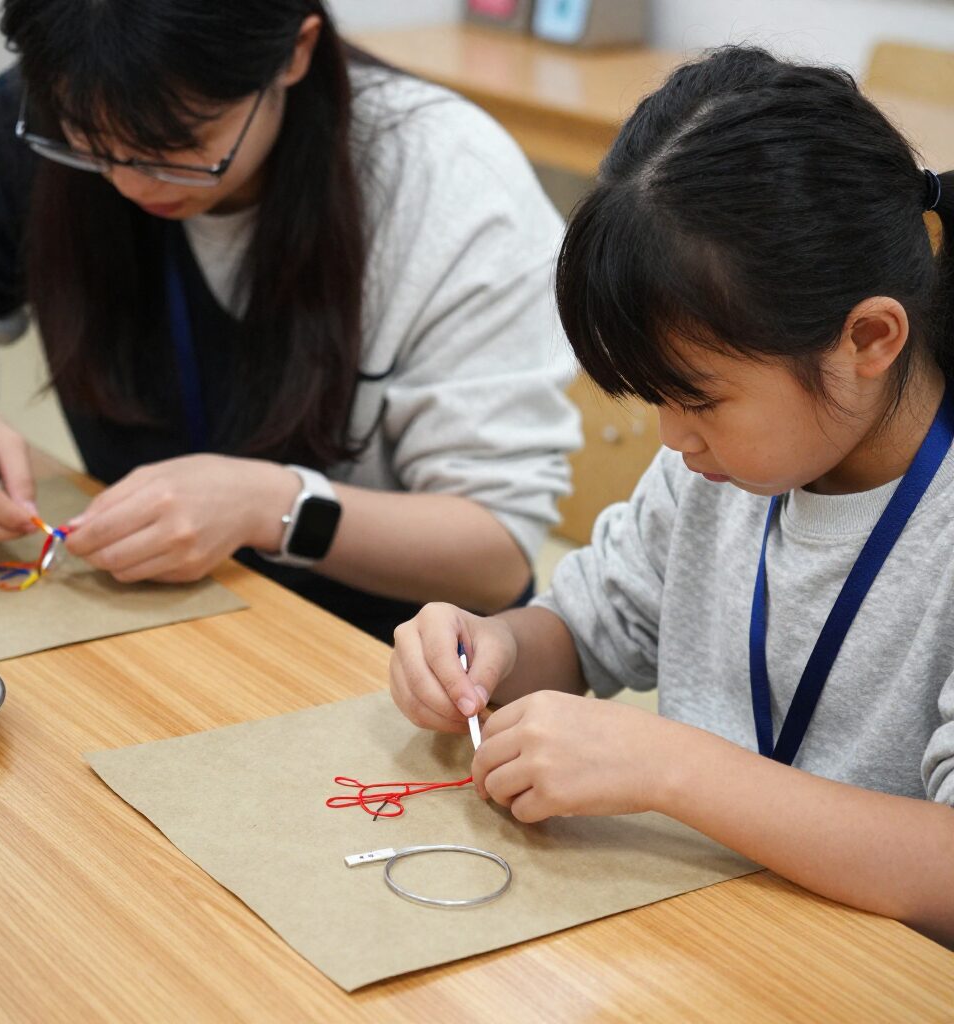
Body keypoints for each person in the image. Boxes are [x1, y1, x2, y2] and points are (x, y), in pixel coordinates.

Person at [389, 46, 954, 942]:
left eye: (698, 398)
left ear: (870, 339)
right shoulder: (722, 466)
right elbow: (582, 632)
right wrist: (486, 647)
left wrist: (677, 770)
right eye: (656, 399)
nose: (671, 437)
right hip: (704, 938)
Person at [0, 0, 579, 642]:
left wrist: (274, 506)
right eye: (94, 147)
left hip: (393, 655)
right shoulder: (43, 115)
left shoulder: (449, 183)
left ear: (295, 53)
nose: (130, 182)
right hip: (156, 624)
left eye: (179, 145)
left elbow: (496, 557)